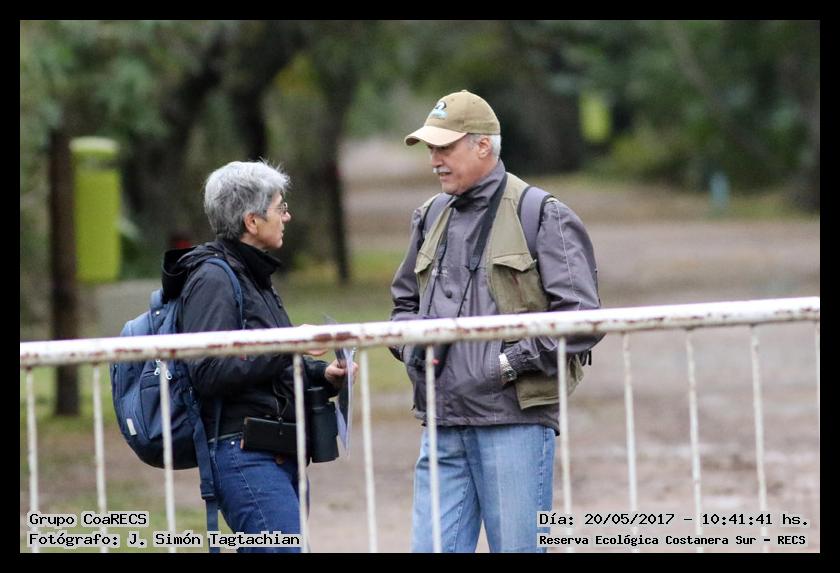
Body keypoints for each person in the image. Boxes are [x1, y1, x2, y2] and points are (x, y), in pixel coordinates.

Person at [390, 90, 604, 553]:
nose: (434, 160)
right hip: (442, 424)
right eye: (430, 149)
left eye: (444, 147)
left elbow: (583, 319)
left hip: (514, 423)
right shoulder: (428, 216)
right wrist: (413, 353)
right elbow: (402, 305)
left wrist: (506, 365)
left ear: (483, 145)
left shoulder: (541, 213)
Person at [164, 160, 354, 553]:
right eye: (280, 208)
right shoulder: (213, 279)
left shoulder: (252, 274)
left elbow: (267, 363)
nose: (287, 216)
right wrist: (289, 344)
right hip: (245, 455)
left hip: (275, 452)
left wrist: (322, 375)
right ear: (252, 221)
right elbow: (209, 370)